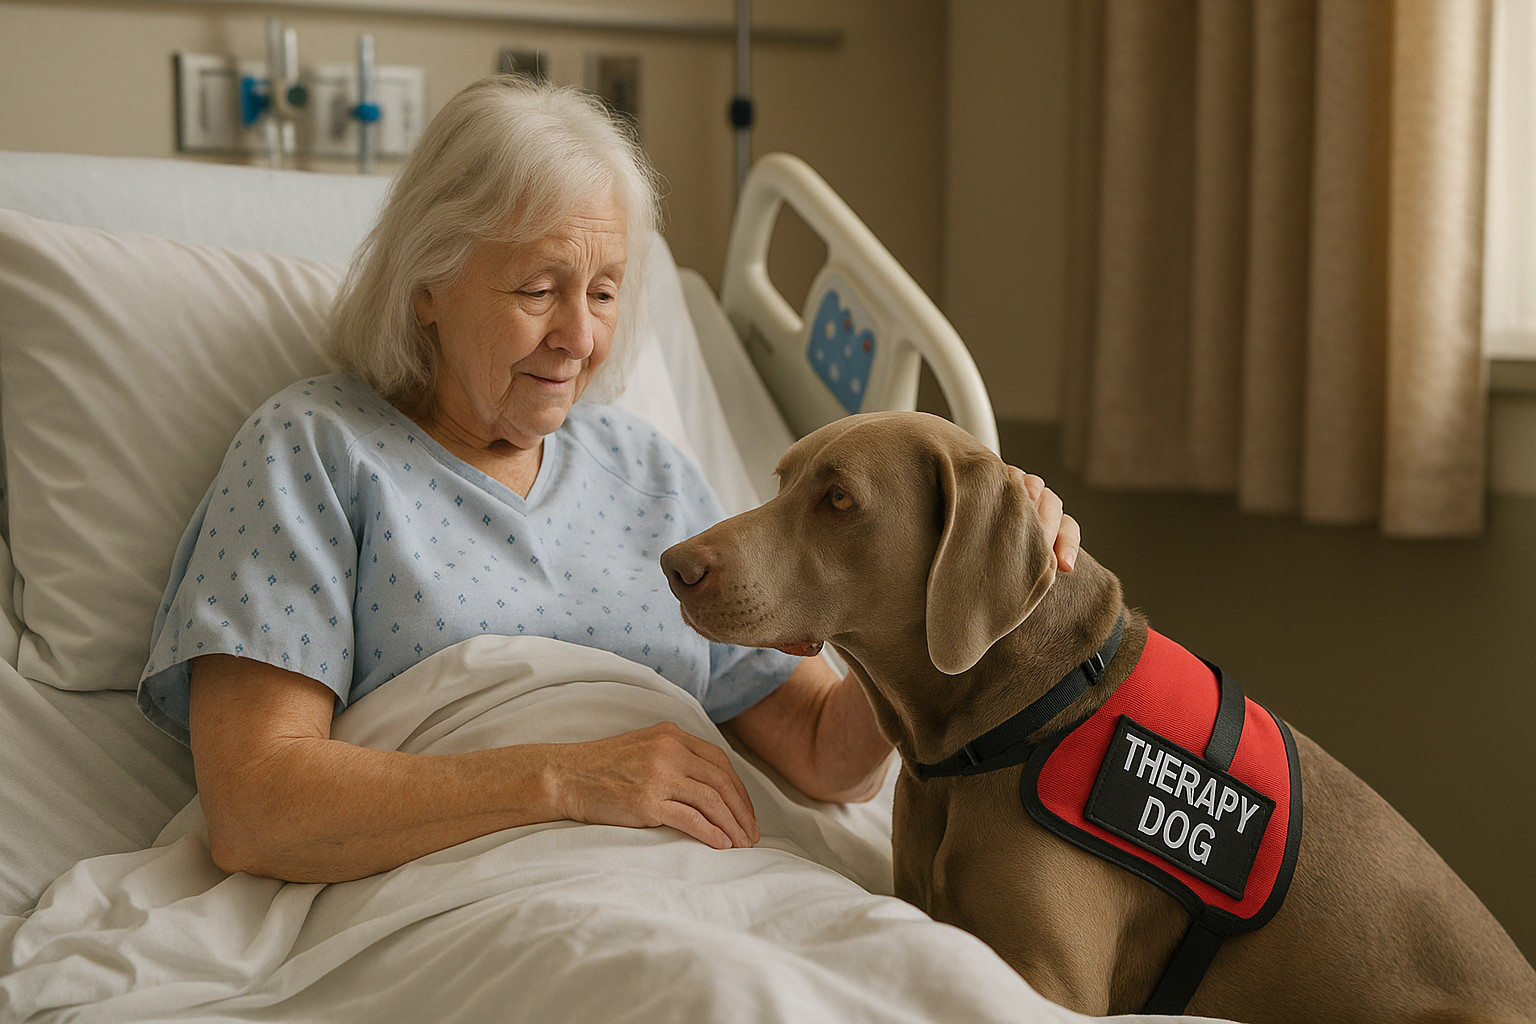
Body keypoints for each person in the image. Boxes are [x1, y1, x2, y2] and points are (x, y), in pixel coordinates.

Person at [137, 74, 1081, 884]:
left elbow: (826, 758)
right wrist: (565, 780)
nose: (580, 337)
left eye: (603, 291)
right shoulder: (316, 451)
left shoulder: (647, 474)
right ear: (428, 284)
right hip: (458, 896)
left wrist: (957, 572)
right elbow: (256, 805)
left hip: (705, 883)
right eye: (538, 289)